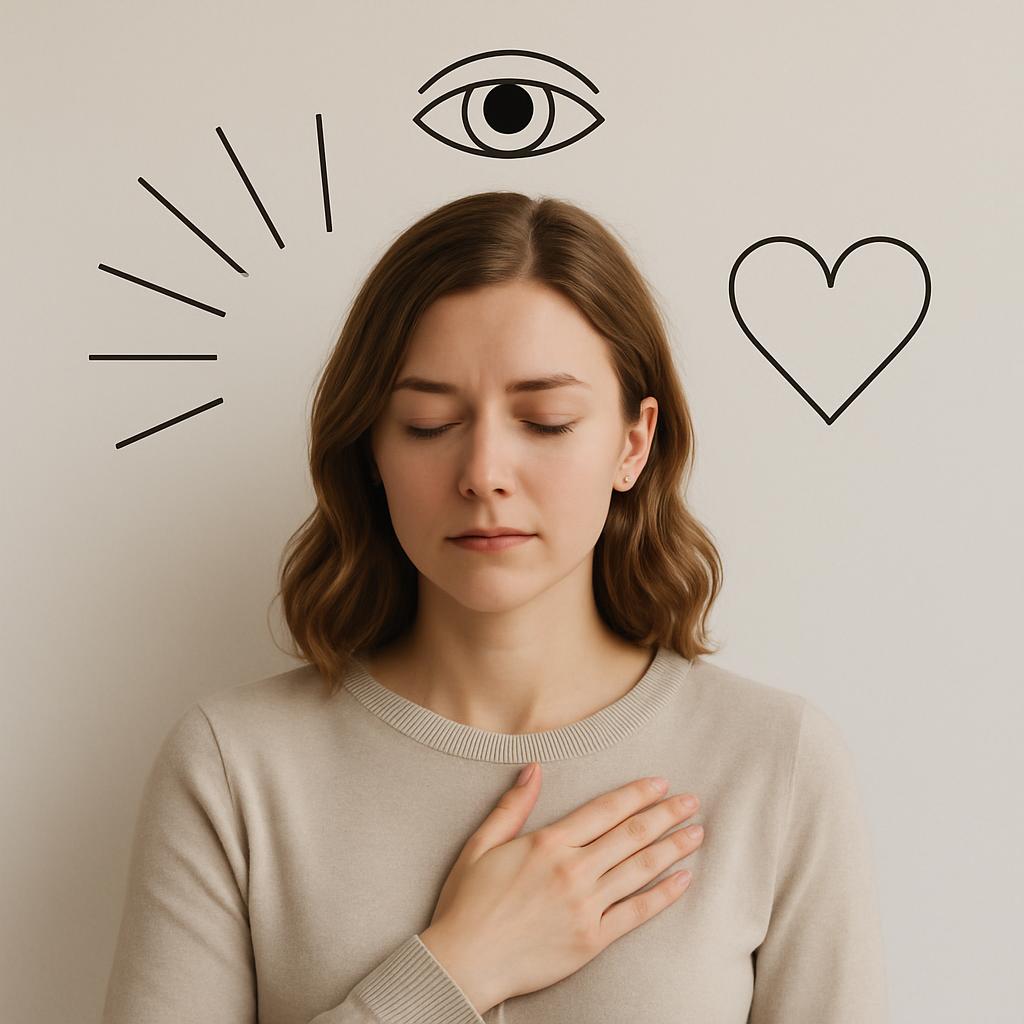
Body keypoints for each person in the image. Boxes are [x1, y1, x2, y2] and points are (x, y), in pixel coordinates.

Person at [101, 191, 889, 1023]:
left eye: (545, 422)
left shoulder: (776, 763)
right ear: (372, 446)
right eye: (428, 422)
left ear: (633, 442)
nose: (483, 471)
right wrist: (454, 971)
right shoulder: (236, 768)